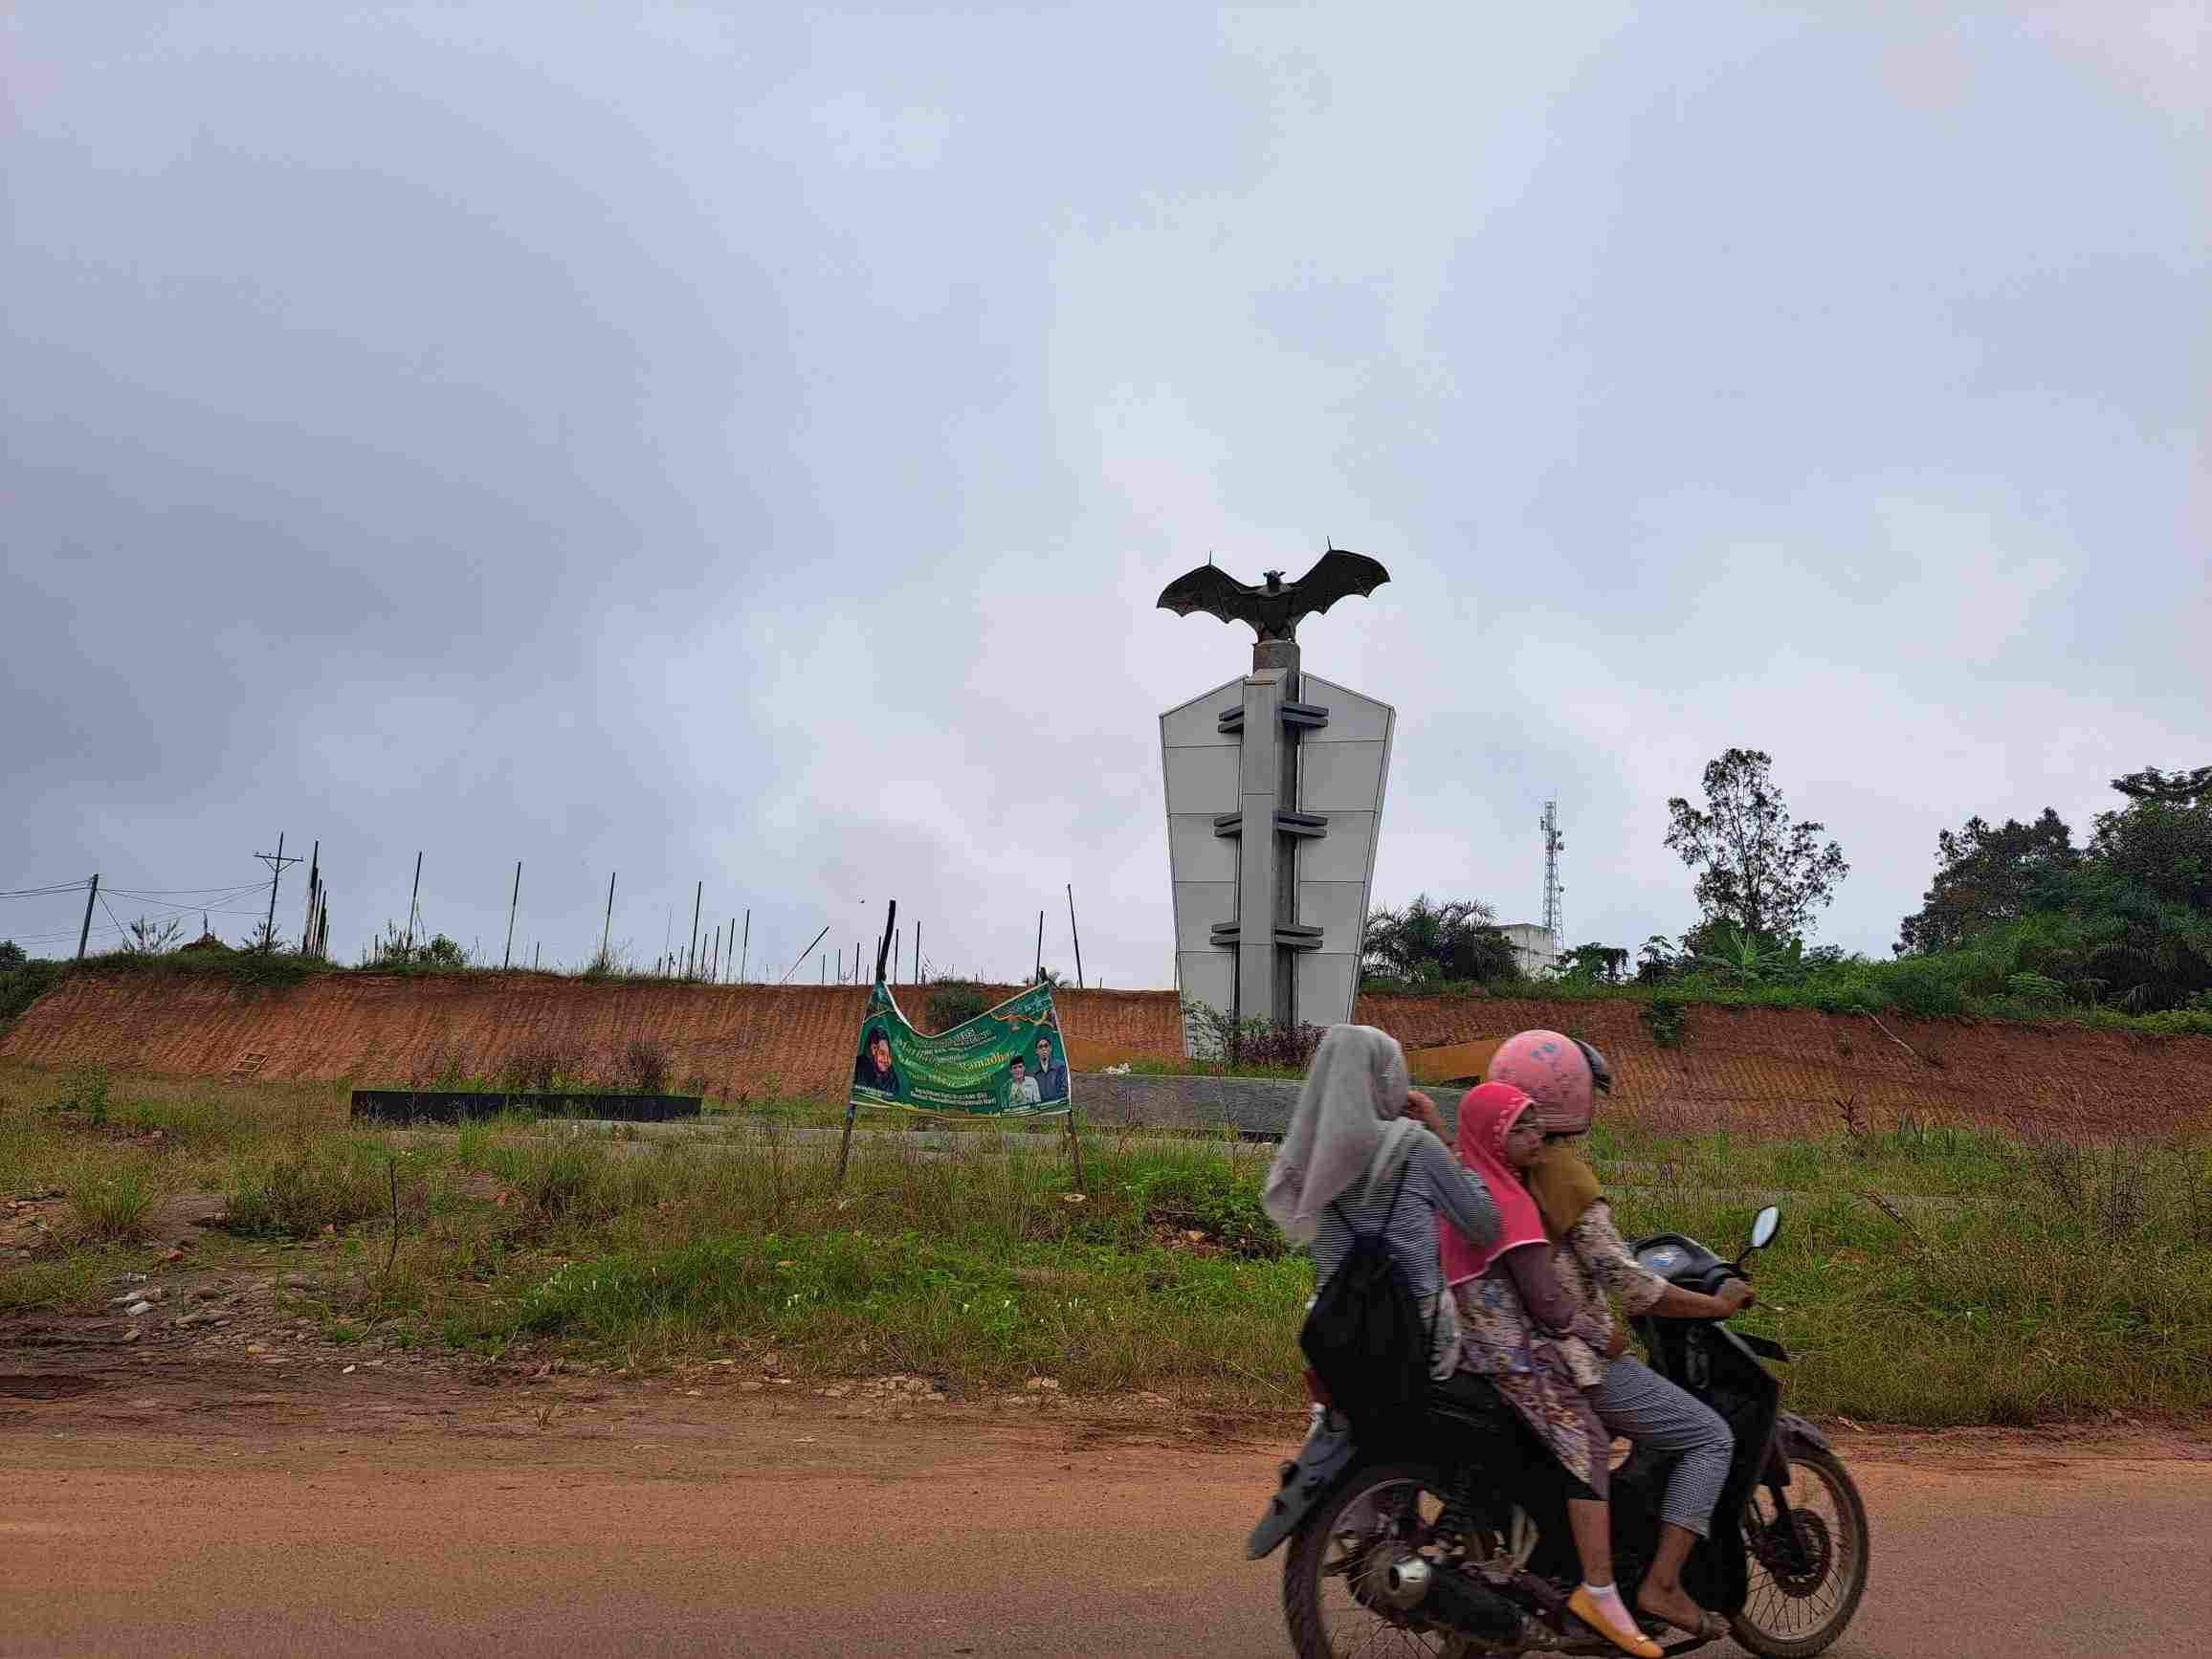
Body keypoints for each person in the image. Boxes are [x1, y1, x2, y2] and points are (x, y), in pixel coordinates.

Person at [1488, 1031, 1750, 1643]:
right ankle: (1660, 1585)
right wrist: (1715, 1302)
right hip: (1568, 1357)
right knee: (1710, 1436)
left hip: (1501, 1349)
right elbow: (1629, 1286)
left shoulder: (1484, 1161)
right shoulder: (1563, 1175)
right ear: (1570, 1095)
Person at [1444, 1082, 1660, 1659]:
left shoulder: (1465, 1187)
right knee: (1586, 1440)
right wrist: (1604, 1334)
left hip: (1471, 1352)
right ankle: (1598, 1591)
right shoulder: (1511, 1204)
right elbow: (1548, 1304)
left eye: (1537, 1123)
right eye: (1520, 1126)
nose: (1536, 1135)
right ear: (1493, 1138)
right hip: (1514, 1358)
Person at [1263, 1025, 1498, 1387]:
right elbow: (1482, 1225)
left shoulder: (1308, 1151)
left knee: (1339, 1425)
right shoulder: (1417, 1145)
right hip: (1415, 1325)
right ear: (1389, 1078)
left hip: (1333, 1326)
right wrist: (1445, 1139)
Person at [852, 1026, 901, 1096]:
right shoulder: (858, 1066)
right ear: (873, 1048)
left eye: (889, 1055)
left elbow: (895, 1096)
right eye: (882, 1053)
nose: (886, 1060)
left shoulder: (891, 1074)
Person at [1030, 1034, 1069, 1104]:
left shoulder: (1060, 1066)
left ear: (1050, 1048)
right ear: (1037, 1051)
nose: (1043, 1049)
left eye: (1046, 1046)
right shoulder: (1032, 1072)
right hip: (1041, 1108)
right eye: (1040, 1047)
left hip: (1058, 1105)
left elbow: (1065, 1087)